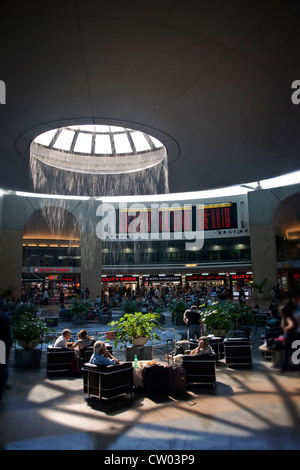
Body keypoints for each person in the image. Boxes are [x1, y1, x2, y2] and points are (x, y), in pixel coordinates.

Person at [280, 301, 298, 372]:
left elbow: (291, 324)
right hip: (293, 334)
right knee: (290, 350)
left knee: (287, 350)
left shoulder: (288, 317)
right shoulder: (290, 315)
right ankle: (289, 365)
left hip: (290, 334)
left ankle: (285, 367)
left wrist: (286, 329)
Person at [0, 311, 12, 400]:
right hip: (2, 345)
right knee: (2, 367)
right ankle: (2, 385)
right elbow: (8, 334)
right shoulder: (4, 317)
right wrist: (9, 346)